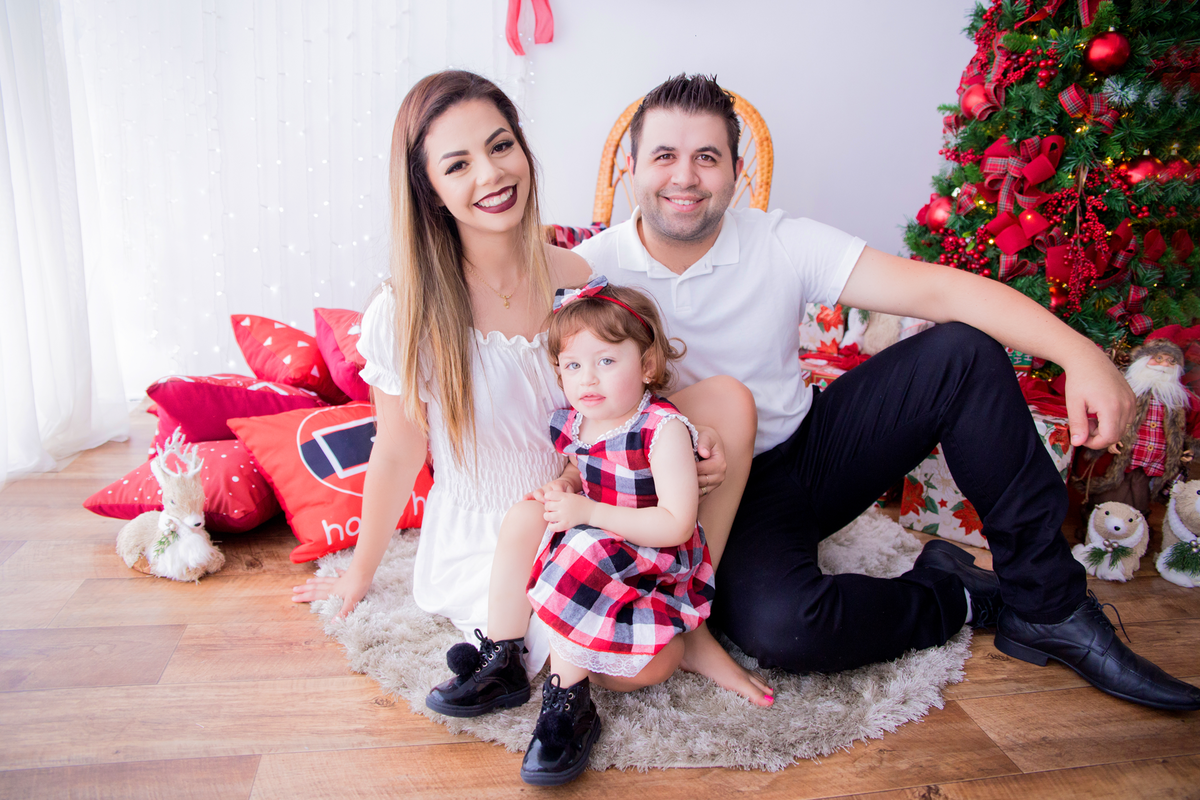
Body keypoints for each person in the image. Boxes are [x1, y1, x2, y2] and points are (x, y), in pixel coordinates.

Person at [572, 73, 1200, 711]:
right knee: (784, 630)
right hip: (697, 495)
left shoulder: (779, 240)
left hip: (808, 453)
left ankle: (1050, 605)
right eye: (664, 156)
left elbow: (939, 291)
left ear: (736, 172)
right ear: (631, 167)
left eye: (706, 157)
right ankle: (954, 592)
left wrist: (1080, 353)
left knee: (960, 352)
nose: (685, 177)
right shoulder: (591, 271)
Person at [289, 70, 769, 707]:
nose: (490, 175)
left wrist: (687, 435)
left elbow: (631, 394)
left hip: (591, 486)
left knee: (729, 402)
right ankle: (628, 636)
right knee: (650, 663)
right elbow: (398, 452)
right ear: (429, 190)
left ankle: (686, 605)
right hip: (502, 530)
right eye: (457, 164)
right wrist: (358, 573)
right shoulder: (408, 312)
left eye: (499, 146)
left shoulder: (577, 276)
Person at [427, 276, 738, 785]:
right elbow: (583, 469)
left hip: (650, 565)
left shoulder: (662, 430)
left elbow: (676, 523)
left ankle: (569, 700)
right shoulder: (579, 422)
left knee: (586, 548)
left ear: (649, 365)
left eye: (606, 361)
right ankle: (504, 656)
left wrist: (587, 514)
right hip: (597, 544)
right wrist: (566, 485)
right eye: (573, 366)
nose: (587, 379)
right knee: (527, 514)